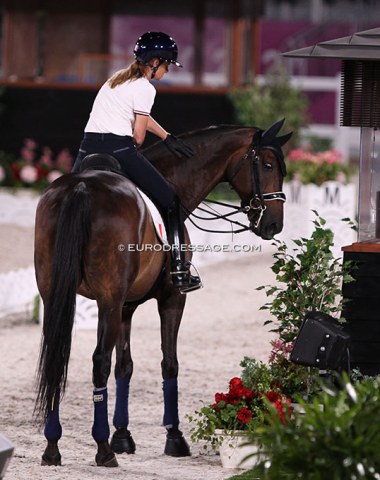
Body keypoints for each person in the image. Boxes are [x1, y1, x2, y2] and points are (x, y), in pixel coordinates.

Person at [72, 31, 202, 293]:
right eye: (166, 65)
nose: (167, 71)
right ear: (154, 62)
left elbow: (136, 113)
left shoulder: (115, 79)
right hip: (118, 150)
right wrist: (146, 142)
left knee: (71, 200)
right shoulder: (146, 88)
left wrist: (166, 136)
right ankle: (179, 268)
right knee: (172, 202)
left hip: (86, 149)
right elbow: (138, 136)